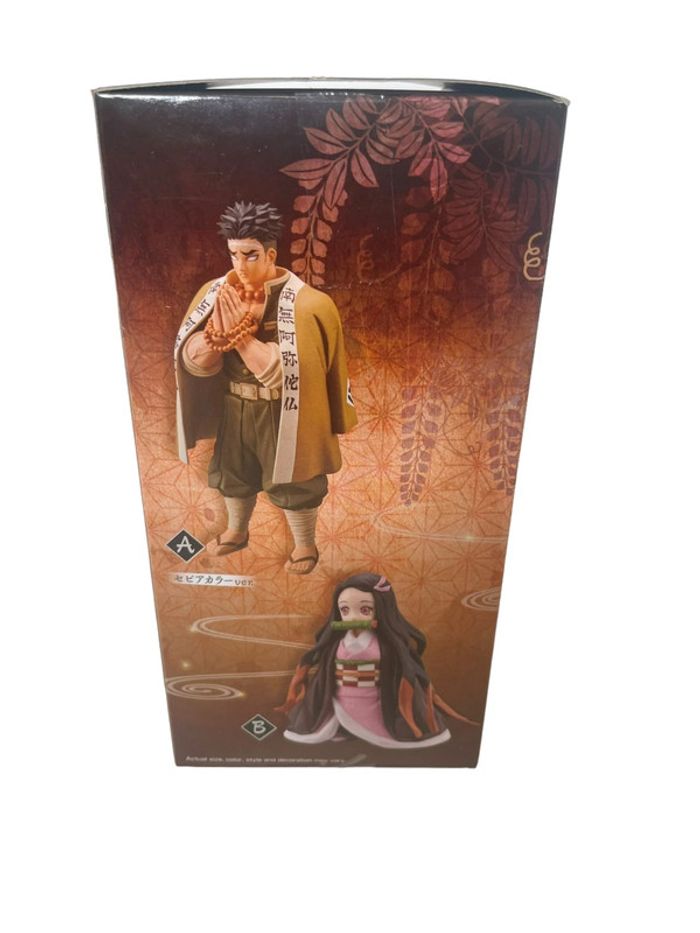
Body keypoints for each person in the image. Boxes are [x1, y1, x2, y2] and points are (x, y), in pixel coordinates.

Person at [174, 201, 357, 574]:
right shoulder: (215, 293)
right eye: (233, 255)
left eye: (250, 255)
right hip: (235, 406)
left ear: (271, 254)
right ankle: (237, 529)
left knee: (294, 479)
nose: (240, 266)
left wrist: (240, 336)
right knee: (232, 472)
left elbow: (288, 374)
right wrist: (215, 337)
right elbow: (193, 363)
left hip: (283, 411)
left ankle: (304, 544)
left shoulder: (308, 304)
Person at [276, 572, 478, 748]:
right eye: (345, 610)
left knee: (387, 726)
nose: (353, 617)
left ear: (381, 610)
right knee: (327, 720)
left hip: (375, 702)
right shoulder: (337, 643)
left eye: (364, 610)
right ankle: (341, 727)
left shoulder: (387, 646)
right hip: (341, 697)